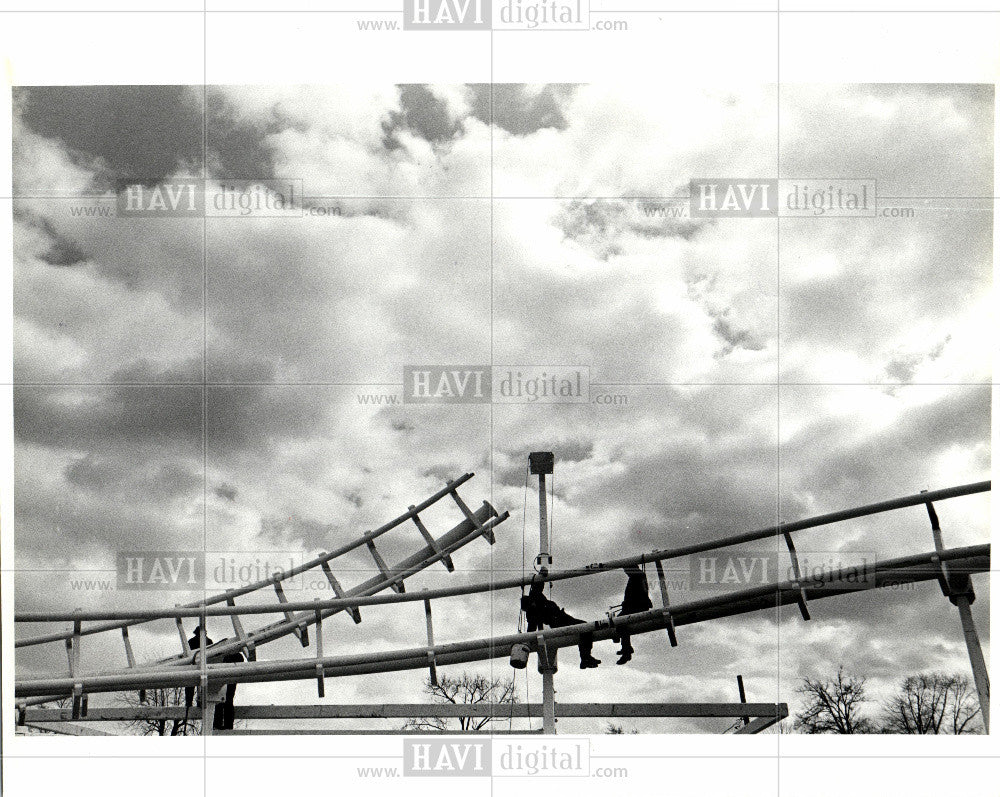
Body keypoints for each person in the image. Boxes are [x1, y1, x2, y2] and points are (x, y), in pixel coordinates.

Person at [520, 569, 601, 669]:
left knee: (585, 627)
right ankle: (585, 658)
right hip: (559, 621)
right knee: (585, 627)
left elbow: (537, 586)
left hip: (561, 617)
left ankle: (585, 658)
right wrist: (526, 641)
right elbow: (531, 630)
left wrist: (541, 575)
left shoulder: (535, 598)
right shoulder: (532, 614)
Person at [614, 565, 652, 665]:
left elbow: (635, 595)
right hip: (638, 605)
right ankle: (626, 647)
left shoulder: (636, 577)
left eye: (626, 570)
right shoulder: (638, 576)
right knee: (619, 622)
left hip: (637, 606)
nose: (625, 573)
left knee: (619, 622)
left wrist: (626, 604)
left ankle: (626, 651)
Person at [213, 649, 245, 730]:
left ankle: (218, 725)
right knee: (227, 702)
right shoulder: (237, 656)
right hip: (229, 681)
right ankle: (226, 725)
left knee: (221, 702)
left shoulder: (225, 656)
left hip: (223, 681)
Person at [184, 626, 214, 709]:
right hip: (204, 667)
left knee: (190, 685)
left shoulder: (191, 641)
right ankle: (200, 703)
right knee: (203, 685)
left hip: (193, 667)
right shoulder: (209, 641)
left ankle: (189, 703)